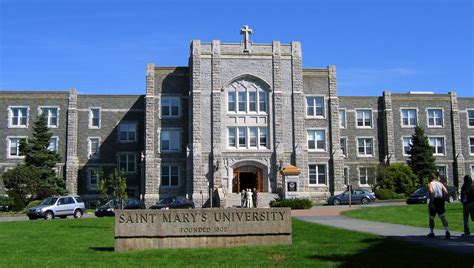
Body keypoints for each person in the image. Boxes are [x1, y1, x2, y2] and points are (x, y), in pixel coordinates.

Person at [426, 173, 450, 239]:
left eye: (428, 178)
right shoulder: (440, 184)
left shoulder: (430, 184)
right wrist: (445, 199)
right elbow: (446, 192)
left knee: (431, 217)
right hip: (440, 200)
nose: (428, 179)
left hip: (434, 200)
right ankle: (447, 231)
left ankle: (431, 232)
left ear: (431, 178)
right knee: (442, 216)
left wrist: (432, 202)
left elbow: (431, 192)